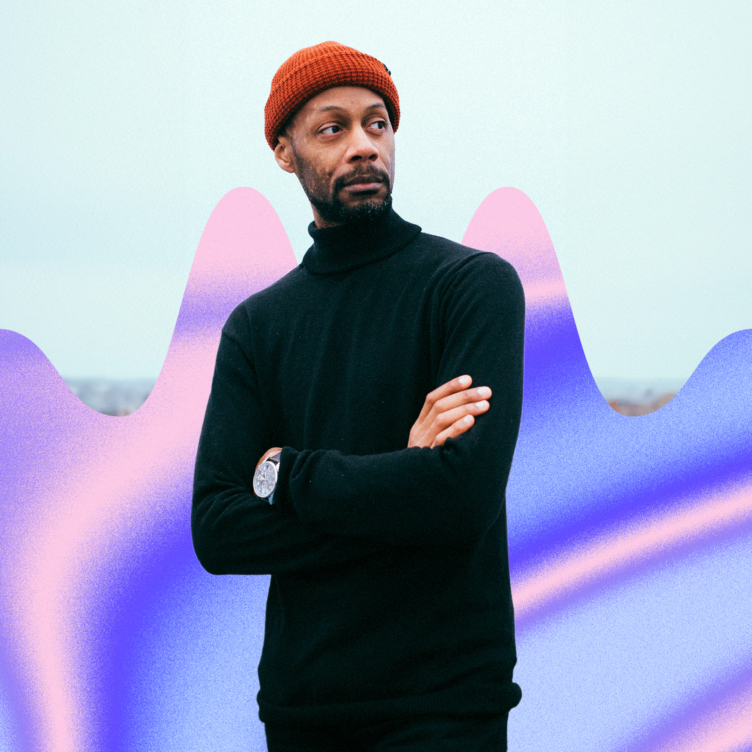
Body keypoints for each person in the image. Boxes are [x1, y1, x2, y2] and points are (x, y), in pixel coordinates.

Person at [191, 41, 525, 751]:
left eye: (377, 123)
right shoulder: (257, 326)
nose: (365, 145)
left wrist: (289, 474)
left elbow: (460, 501)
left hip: (447, 708)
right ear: (285, 153)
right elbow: (218, 529)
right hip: (303, 712)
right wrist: (404, 478)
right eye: (332, 128)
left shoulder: (472, 287)